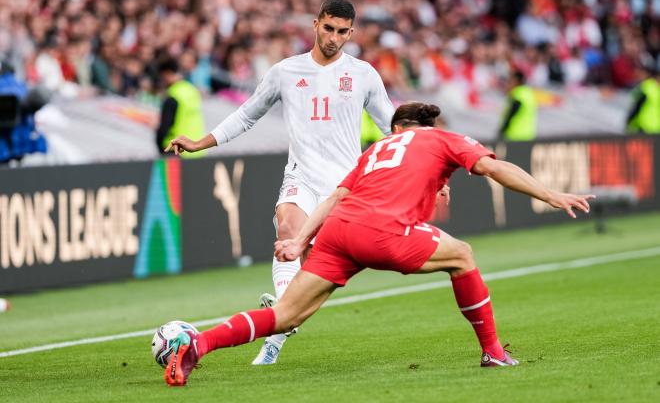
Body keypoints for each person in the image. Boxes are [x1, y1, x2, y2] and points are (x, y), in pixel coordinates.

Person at [163, 102, 595, 386]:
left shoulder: (378, 149)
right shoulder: (442, 139)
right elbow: (492, 168)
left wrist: (299, 242)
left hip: (337, 233)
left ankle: (197, 345)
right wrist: (551, 195)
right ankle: (494, 354)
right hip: (382, 233)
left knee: (283, 315)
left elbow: (336, 196)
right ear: (427, 127)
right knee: (462, 256)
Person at [164, 0, 395, 364]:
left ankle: (279, 329)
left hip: (343, 186)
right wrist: (199, 142)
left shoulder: (364, 74)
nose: (333, 37)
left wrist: (430, 165)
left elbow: (392, 127)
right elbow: (246, 115)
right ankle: (284, 316)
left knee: (318, 272)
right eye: (328, 28)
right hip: (301, 175)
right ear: (315, 24)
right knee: (287, 230)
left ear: (351, 32)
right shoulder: (286, 71)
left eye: (342, 32)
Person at [156, 57, 206, 158]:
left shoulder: (173, 96)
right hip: (198, 150)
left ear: (167, 73)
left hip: (176, 149)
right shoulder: (192, 90)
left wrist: (160, 147)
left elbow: (164, 127)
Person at [498, 70, 537, 141]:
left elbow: (511, 114)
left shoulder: (518, 95)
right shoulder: (528, 93)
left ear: (516, 80)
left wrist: (502, 131)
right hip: (528, 134)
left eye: (510, 80)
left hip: (515, 136)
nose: (508, 83)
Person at [626, 65, 660, 134]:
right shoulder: (652, 88)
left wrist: (629, 121)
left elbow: (637, 106)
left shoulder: (646, 87)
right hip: (653, 127)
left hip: (645, 126)